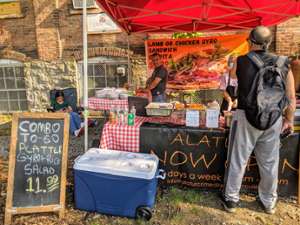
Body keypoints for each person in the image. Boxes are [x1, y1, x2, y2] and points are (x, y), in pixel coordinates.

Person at [221, 26, 296, 214]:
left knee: (238, 159)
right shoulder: (284, 63)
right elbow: (291, 97)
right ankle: (268, 202)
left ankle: (231, 199)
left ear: (250, 42)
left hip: (246, 116)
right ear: (269, 43)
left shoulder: (241, 61)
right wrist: (289, 120)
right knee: (270, 162)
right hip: (274, 119)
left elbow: (232, 87)